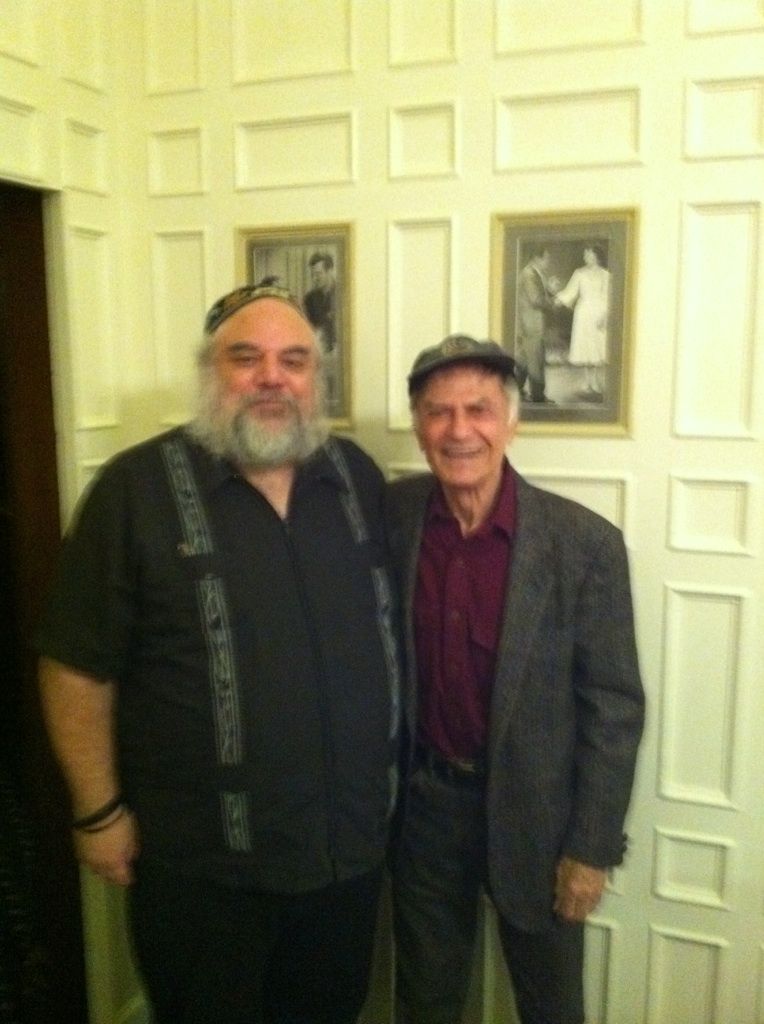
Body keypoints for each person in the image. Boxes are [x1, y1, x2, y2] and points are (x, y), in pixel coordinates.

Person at [36, 284, 401, 1024]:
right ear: (211, 373)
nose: (272, 378)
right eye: (246, 358)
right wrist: (98, 812)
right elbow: (74, 662)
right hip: (202, 876)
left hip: (345, 860)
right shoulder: (134, 491)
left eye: (293, 360)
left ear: (316, 378)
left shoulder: (355, 479)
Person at [388, 333, 644, 1024]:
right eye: (439, 412)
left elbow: (614, 709)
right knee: (425, 1001)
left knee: (551, 1007)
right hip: (425, 813)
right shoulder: (394, 517)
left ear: (510, 422)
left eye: (478, 409)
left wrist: (591, 848)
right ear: (419, 427)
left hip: (540, 821)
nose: (459, 430)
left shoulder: (583, 544)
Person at [554, 244, 611, 401]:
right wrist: (557, 299)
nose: (585, 257)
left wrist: (605, 316)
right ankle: (587, 382)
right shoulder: (579, 273)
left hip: (599, 312)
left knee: (598, 347)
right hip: (584, 313)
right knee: (586, 347)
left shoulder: (606, 275)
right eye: (585, 254)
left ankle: (596, 382)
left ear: (596, 255)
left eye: (588, 254)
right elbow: (570, 292)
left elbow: (609, 297)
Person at [515, 245, 554, 403]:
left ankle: (515, 391)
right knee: (536, 360)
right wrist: (554, 301)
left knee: (524, 360)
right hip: (532, 324)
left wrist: (550, 290)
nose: (548, 262)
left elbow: (537, 295)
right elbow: (536, 299)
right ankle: (538, 396)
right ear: (537, 258)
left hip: (528, 324)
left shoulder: (532, 273)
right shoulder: (529, 274)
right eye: (547, 258)